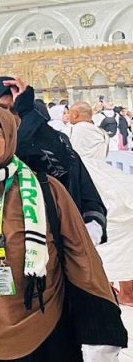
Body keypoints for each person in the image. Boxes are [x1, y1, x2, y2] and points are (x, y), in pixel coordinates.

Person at [0, 104, 127, 362]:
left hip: (43, 326)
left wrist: (99, 324)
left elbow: (81, 256)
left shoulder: (46, 189)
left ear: (10, 138)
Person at [0, 76, 107, 245]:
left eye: (15, 109)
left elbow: (79, 185)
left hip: (50, 245)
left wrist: (90, 231)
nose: (9, 116)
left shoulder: (51, 143)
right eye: (1, 108)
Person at [65, 102, 133, 302]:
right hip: (110, 180)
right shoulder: (101, 133)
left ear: (75, 115)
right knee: (122, 236)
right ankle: (127, 290)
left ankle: (104, 288)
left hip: (88, 180)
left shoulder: (76, 131)